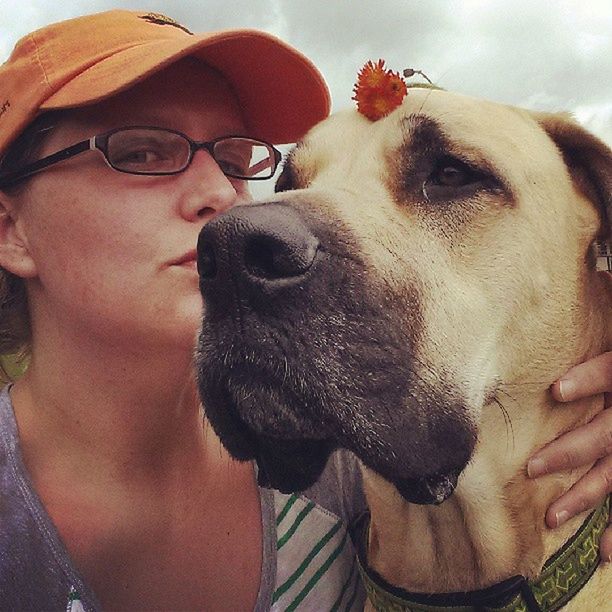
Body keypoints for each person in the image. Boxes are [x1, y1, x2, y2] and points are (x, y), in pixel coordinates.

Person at [0, 9, 608, 611]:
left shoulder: (344, 458)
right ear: (10, 230)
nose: (225, 197)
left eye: (237, 161)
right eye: (140, 153)